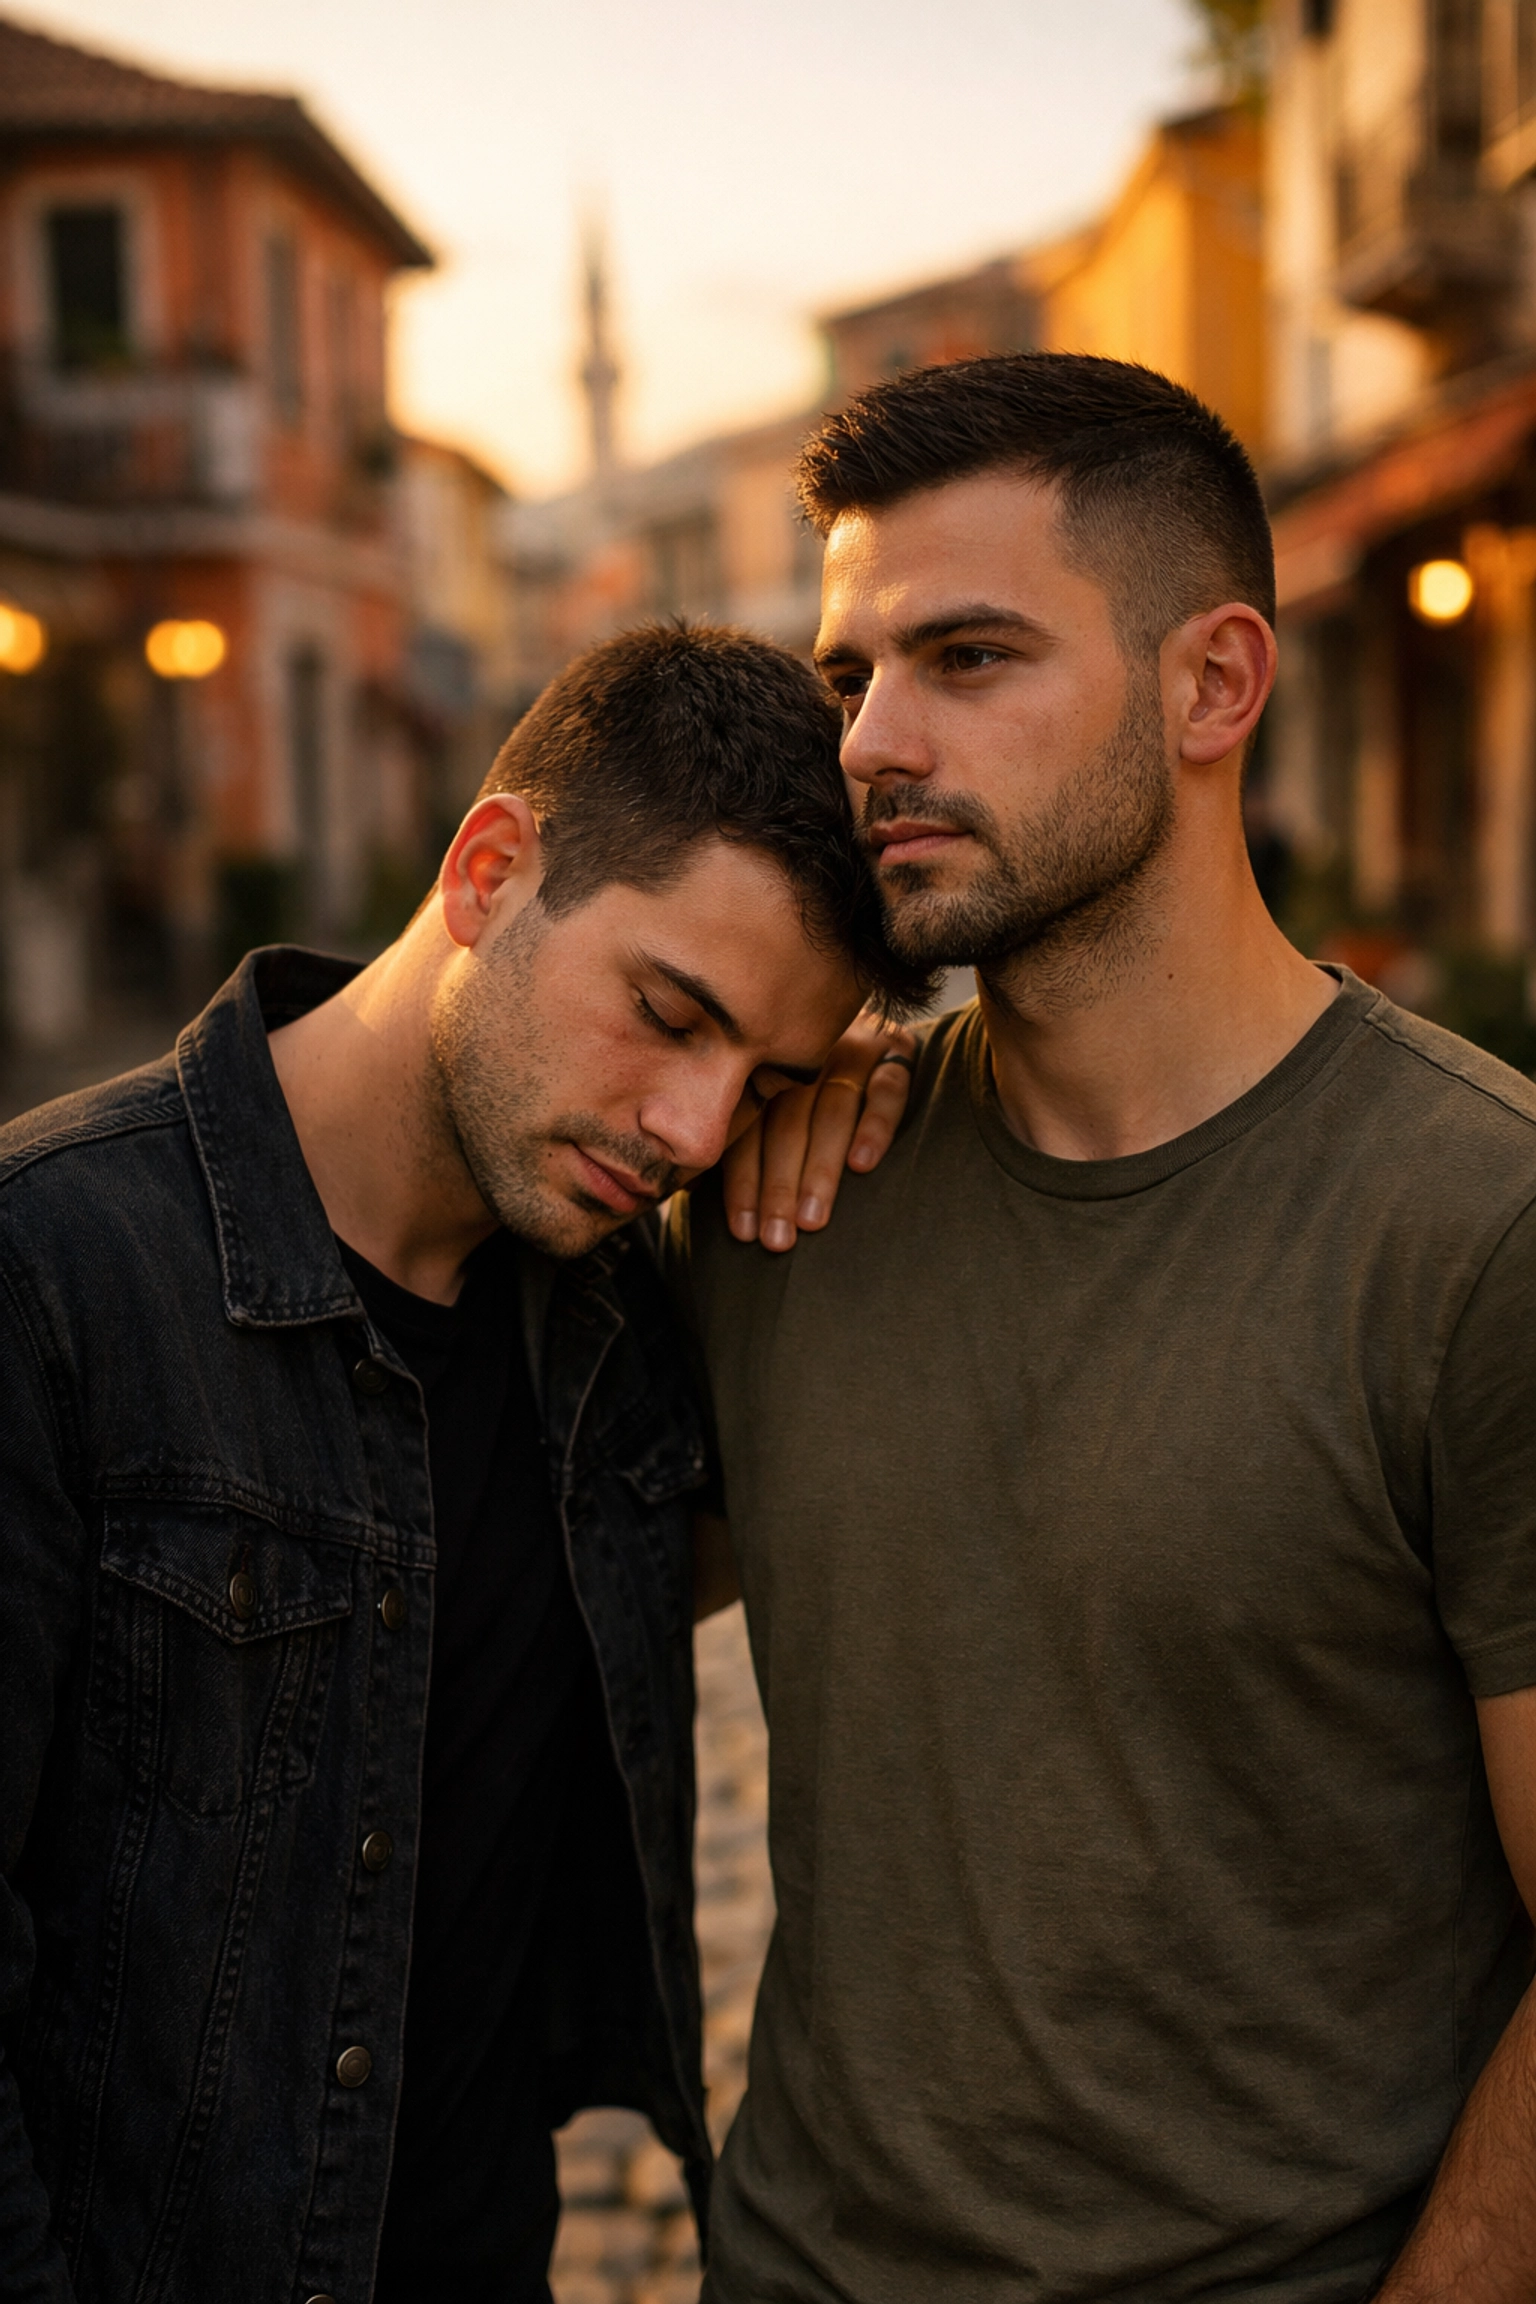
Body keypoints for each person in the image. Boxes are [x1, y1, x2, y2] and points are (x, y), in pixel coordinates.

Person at [678, 355, 1536, 2303]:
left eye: (967, 657)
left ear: (1215, 685)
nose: (875, 742)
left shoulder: (1480, 1229)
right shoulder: (784, 1192)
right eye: (848, 677)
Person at [0, 621, 922, 2304]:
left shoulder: (626, 1332)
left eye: (762, 1078)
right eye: (667, 1012)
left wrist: (871, 1108)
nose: (694, 1130)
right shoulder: (51, 1273)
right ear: (492, 866)